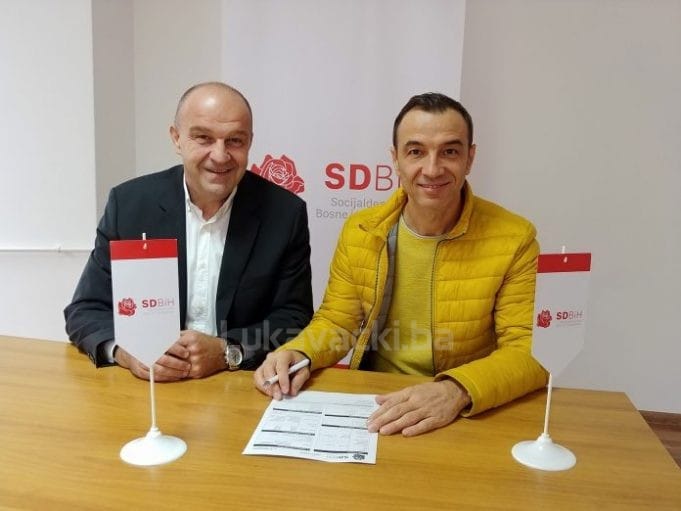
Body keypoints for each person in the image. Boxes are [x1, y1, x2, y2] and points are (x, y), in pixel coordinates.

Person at [254, 92, 547, 436]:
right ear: (395, 159)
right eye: (416, 151)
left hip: (461, 408)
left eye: (450, 152)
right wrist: (299, 351)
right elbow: (338, 321)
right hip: (378, 400)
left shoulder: (515, 238)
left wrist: (456, 390)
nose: (432, 169)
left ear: (470, 158)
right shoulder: (362, 230)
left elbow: (528, 349)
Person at [65, 82, 313, 381]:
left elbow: (293, 317)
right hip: (147, 387)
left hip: (237, 383)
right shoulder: (129, 205)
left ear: (250, 142)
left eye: (235, 140)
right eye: (203, 138)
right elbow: (86, 309)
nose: (220, 155)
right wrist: (125, 351)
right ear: (176, 138)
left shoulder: (284, 214)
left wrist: (227, 351)